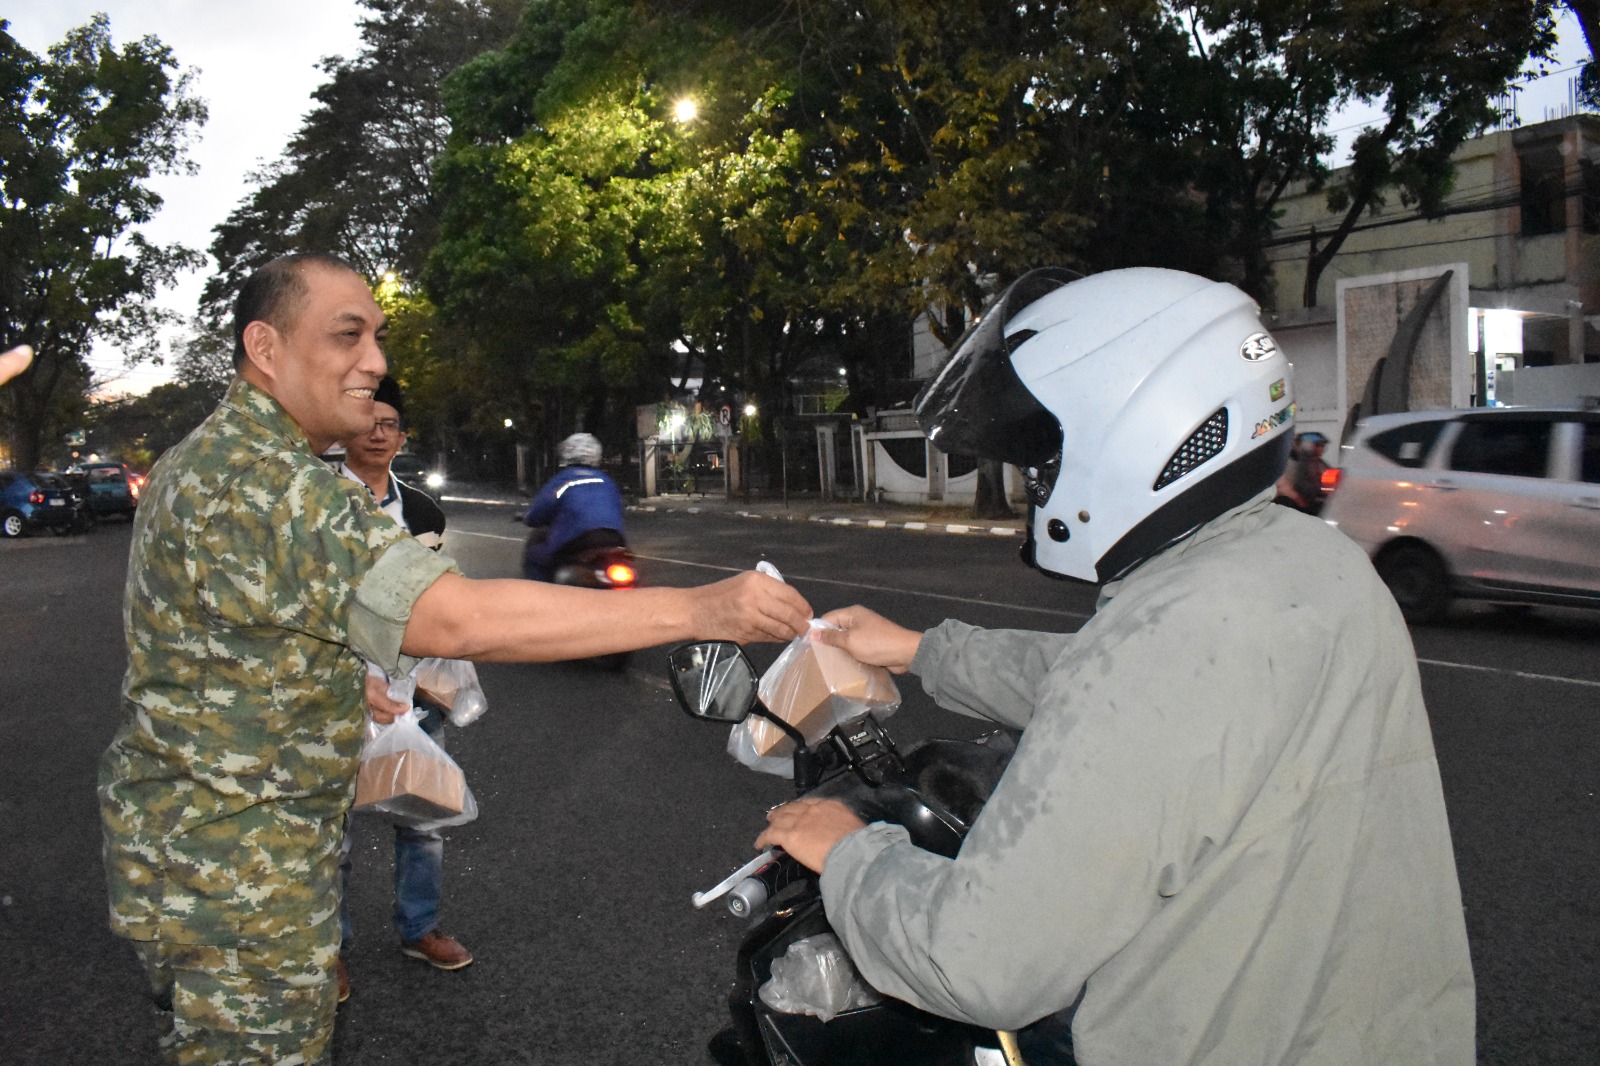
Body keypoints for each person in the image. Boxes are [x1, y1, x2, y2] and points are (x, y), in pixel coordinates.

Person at [98, 252, 811, 1065]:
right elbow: (460, 618)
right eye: (347, 336)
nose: (376, 361)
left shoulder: (206, 458)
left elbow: (224, 640)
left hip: (191, 858)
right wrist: (701, 609)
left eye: (378, 336)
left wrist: (331, 685)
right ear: (266, 347)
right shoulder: (269, 483)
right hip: (240, 882)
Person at [756, 267, 1473, 1064]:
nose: (1039, 483)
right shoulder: (1312, 561)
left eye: (1048, 454)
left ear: (1140, 430)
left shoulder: (1168, 637)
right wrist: (922, 649)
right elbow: (1125, 677)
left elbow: (980, 960)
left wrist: (850, 851)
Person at [330, 376, 469, 999]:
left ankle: (420, 929)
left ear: (403, 437)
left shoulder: (424, 512)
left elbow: (438, 598)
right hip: (336, 690)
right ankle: (329, 952)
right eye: (368, 422)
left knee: (422, 821)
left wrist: (443, 674)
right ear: (346, 430)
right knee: (331, 832)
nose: (378, 433)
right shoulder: (322, 503)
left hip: (410, 691)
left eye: (390, 424)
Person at [520, 432, 626, 581]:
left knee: (534, 556)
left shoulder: (563, 480)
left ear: (566, 454)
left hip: (576, 540)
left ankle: (541, 594)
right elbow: (619, 507)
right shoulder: (606, 481)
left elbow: (540, 510)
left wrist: (529, 518)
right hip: (615, 539)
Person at [1275, 430, 1330, 514]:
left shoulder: (1319, 463)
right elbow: (1299, 485)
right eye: (1319, 445)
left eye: (1322, 445)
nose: (1322, 449)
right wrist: (1320, 490)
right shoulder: (1293, 462)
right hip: (1297, 504)